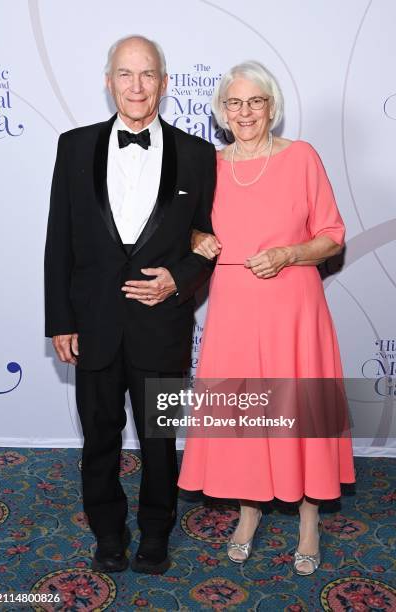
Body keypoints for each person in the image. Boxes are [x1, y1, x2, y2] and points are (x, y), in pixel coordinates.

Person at [44, 35, 216, 575]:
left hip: (161, 325)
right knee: (98, 437)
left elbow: (209, 242)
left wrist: (177, 280)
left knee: (159, 441)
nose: (136, 86)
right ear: (108, 80)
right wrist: (60, 320)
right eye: (125, 74)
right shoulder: (73, 146)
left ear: (165, 84)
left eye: (147, 75)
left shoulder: (197, 154)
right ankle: (108, 534)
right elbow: (59, 240)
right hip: (92, 323)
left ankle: (156, 533)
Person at [178, 60, 355, 575]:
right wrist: (194, 238)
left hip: (293, 306)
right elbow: (184, 230)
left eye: (256, 101)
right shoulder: (208, 165)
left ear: (272, 107)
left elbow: (332, 235)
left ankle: (308, 519)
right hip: (233, 308)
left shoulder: (301, 157)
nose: (245, 111)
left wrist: (288, 254)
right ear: (221, 111)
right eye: (235, 102)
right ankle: (249, 513)